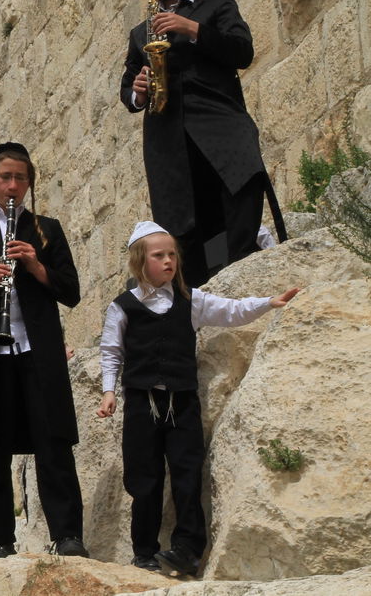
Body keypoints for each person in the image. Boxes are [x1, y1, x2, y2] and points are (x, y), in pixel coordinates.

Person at [98, 221, 299, 578]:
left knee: (187, 473)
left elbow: (232, 310)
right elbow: (111, 352)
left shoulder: (192, 300)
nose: (168, 261)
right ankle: (144, 551)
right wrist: (109, 391)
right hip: (143, 404)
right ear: (140, 261)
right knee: (143, 478)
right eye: (158, 255)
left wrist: (268, 303)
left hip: (182, 403)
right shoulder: (122, 307)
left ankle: (188, 550)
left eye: (171, 254)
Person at [0, 142, 88, 559]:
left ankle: (67, 535)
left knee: (53, 442)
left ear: (29, 183)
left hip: (37, 350)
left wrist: (37, 266)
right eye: (4, 177)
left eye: (19, 178)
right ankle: (0, 541)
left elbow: (72, 291)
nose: (11, 186)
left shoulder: (46, 230)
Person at [121, 0, 278, 287]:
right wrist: (139, 90)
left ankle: (242, 266)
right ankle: (195, 291)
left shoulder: (218, 6)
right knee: (181, 215)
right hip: (167, 136)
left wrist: (191, 28)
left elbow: (242, 52)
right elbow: (127, 92)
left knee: (241, 182)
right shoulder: (139, 33)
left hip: (218, 117)